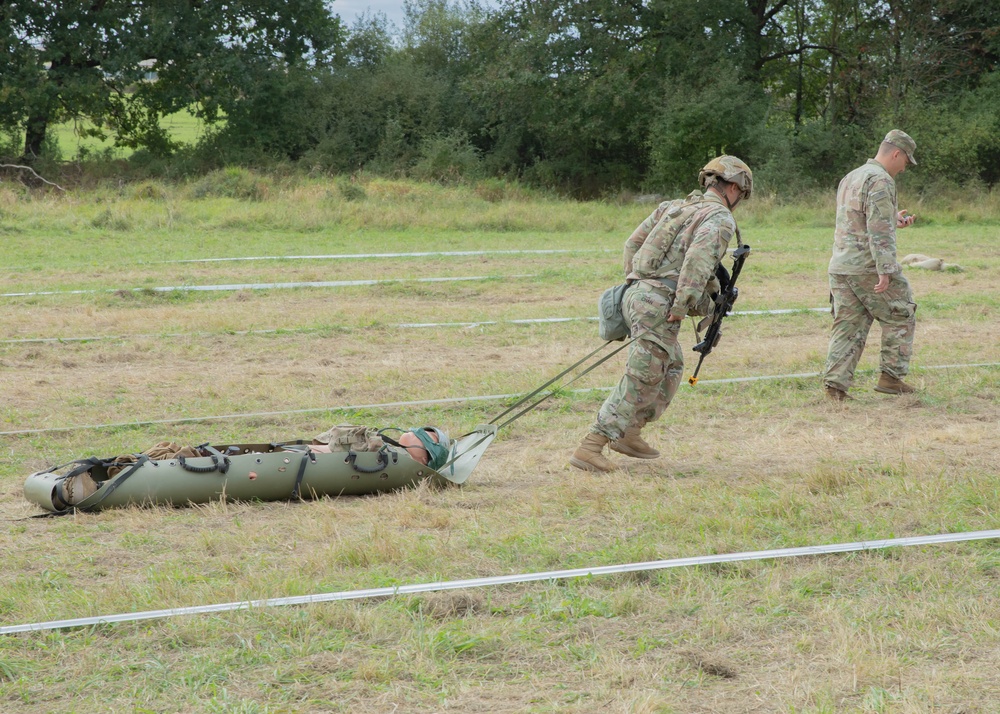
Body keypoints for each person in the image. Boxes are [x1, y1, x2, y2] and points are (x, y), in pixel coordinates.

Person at [569, 156, 753, 473]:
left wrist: (636, 284)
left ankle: (629, 431)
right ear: (734, 187)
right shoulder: (720, 219)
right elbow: (697, 262)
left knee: (671, 366)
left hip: (637, 295)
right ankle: (591, 446)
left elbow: (632, 243)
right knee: (643, 375)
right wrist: (681, 306)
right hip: (660, 303)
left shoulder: (674, 207)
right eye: (741, 194)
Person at [823, 130, 919, 401]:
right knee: (902, 311)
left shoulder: (851, 176)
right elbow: (878, 230)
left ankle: (835, 387)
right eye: (905, 161)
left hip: (841, 266)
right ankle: (892, 377)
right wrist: (886, 269)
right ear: (896, 153)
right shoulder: (881, 179)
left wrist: (893, 219)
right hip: (867, 266)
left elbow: (856, 220)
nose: (904, 168)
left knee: (848, 325)